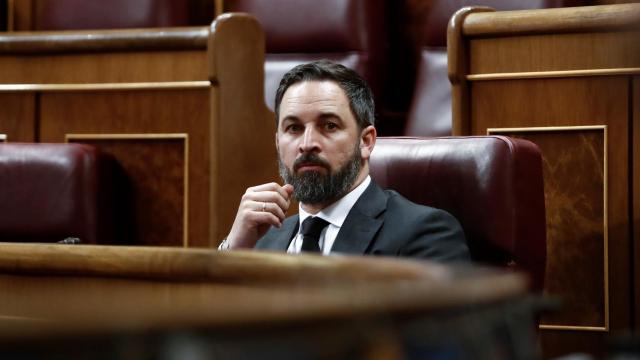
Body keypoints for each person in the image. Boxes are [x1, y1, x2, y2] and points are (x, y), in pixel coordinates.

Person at [219, 60, 469, 261]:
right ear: (277, 143)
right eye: (293, 128)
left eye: (329, 125)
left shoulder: (424, 234)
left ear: (366, 141)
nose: (306, 143)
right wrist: (232, 250)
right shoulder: (260, 241)